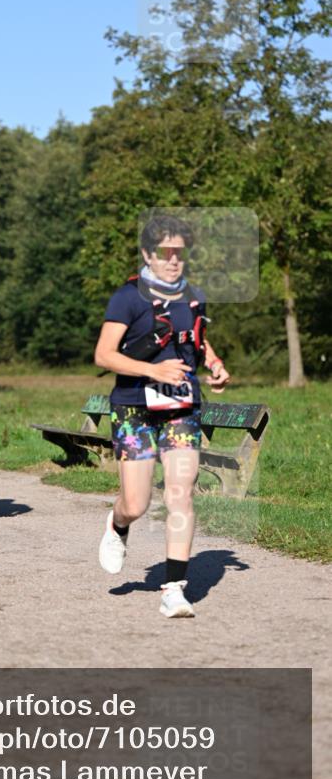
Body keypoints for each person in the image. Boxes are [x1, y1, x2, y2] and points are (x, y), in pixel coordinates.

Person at [94, 214, 230, 619]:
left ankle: (174, 589)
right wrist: (154, 370)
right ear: (147, 255)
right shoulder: (128, 297)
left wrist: (214, 363)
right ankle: (118, 525)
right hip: (134, 406)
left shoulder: (193, 295)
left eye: (180, 253)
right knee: (135, 504)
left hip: (181, 408)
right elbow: (104, 355)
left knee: (180, 492)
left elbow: (195, 341)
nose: (174, 261)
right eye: (165, 253)